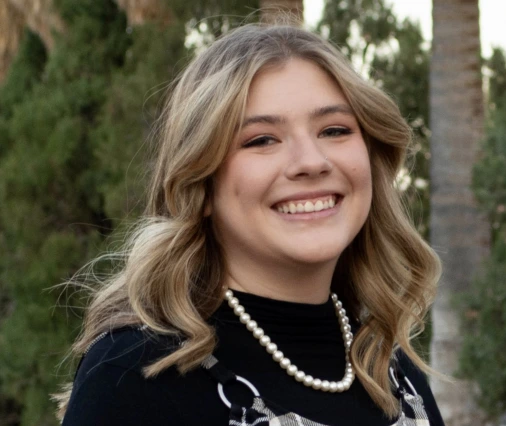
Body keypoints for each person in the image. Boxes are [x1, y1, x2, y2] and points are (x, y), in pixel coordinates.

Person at [56, 23, 444, 426]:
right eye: (261, 139)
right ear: (201, 184)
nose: (311, 161)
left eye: (334, 130)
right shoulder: (137, 376)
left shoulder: (393, 373)